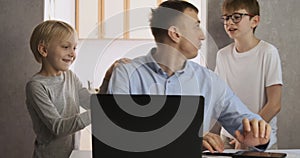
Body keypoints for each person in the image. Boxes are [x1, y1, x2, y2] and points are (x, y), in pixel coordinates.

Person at [107, 0, 272, 153]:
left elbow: (247, 122)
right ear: (175, 34)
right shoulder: (126, 74)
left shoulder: (210, 81)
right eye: (195, 26)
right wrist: (188, 140)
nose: (202, 35)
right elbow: (117, 136)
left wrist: (258, 136)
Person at [26, 20, 128, 158]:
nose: (72, 54)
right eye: (65, 47)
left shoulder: (70, 77)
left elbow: (91, 102)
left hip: (72, 154)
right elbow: (58, 128)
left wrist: (108, 77)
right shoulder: (36, 86)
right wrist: (100, 111)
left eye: (74, 48)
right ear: (44, 50)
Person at [215, 0, 282, 149]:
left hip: (260, 137)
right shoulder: (222, 55)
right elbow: (218, 98)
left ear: (255, 21)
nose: (229, 22)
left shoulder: (268, 52)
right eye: (226, 17)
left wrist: (248, 133)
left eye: (237, 17)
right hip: (228, 137)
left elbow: (274, 104)